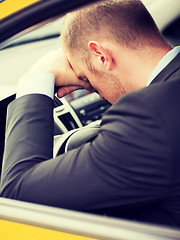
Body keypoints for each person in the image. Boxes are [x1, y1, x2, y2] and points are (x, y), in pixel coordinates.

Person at [1, 0, 180, 227]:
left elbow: (17, 193)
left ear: (101, 55)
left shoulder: (149, 118)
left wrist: (38, 76)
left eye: (87, 80)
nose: (100, 96)